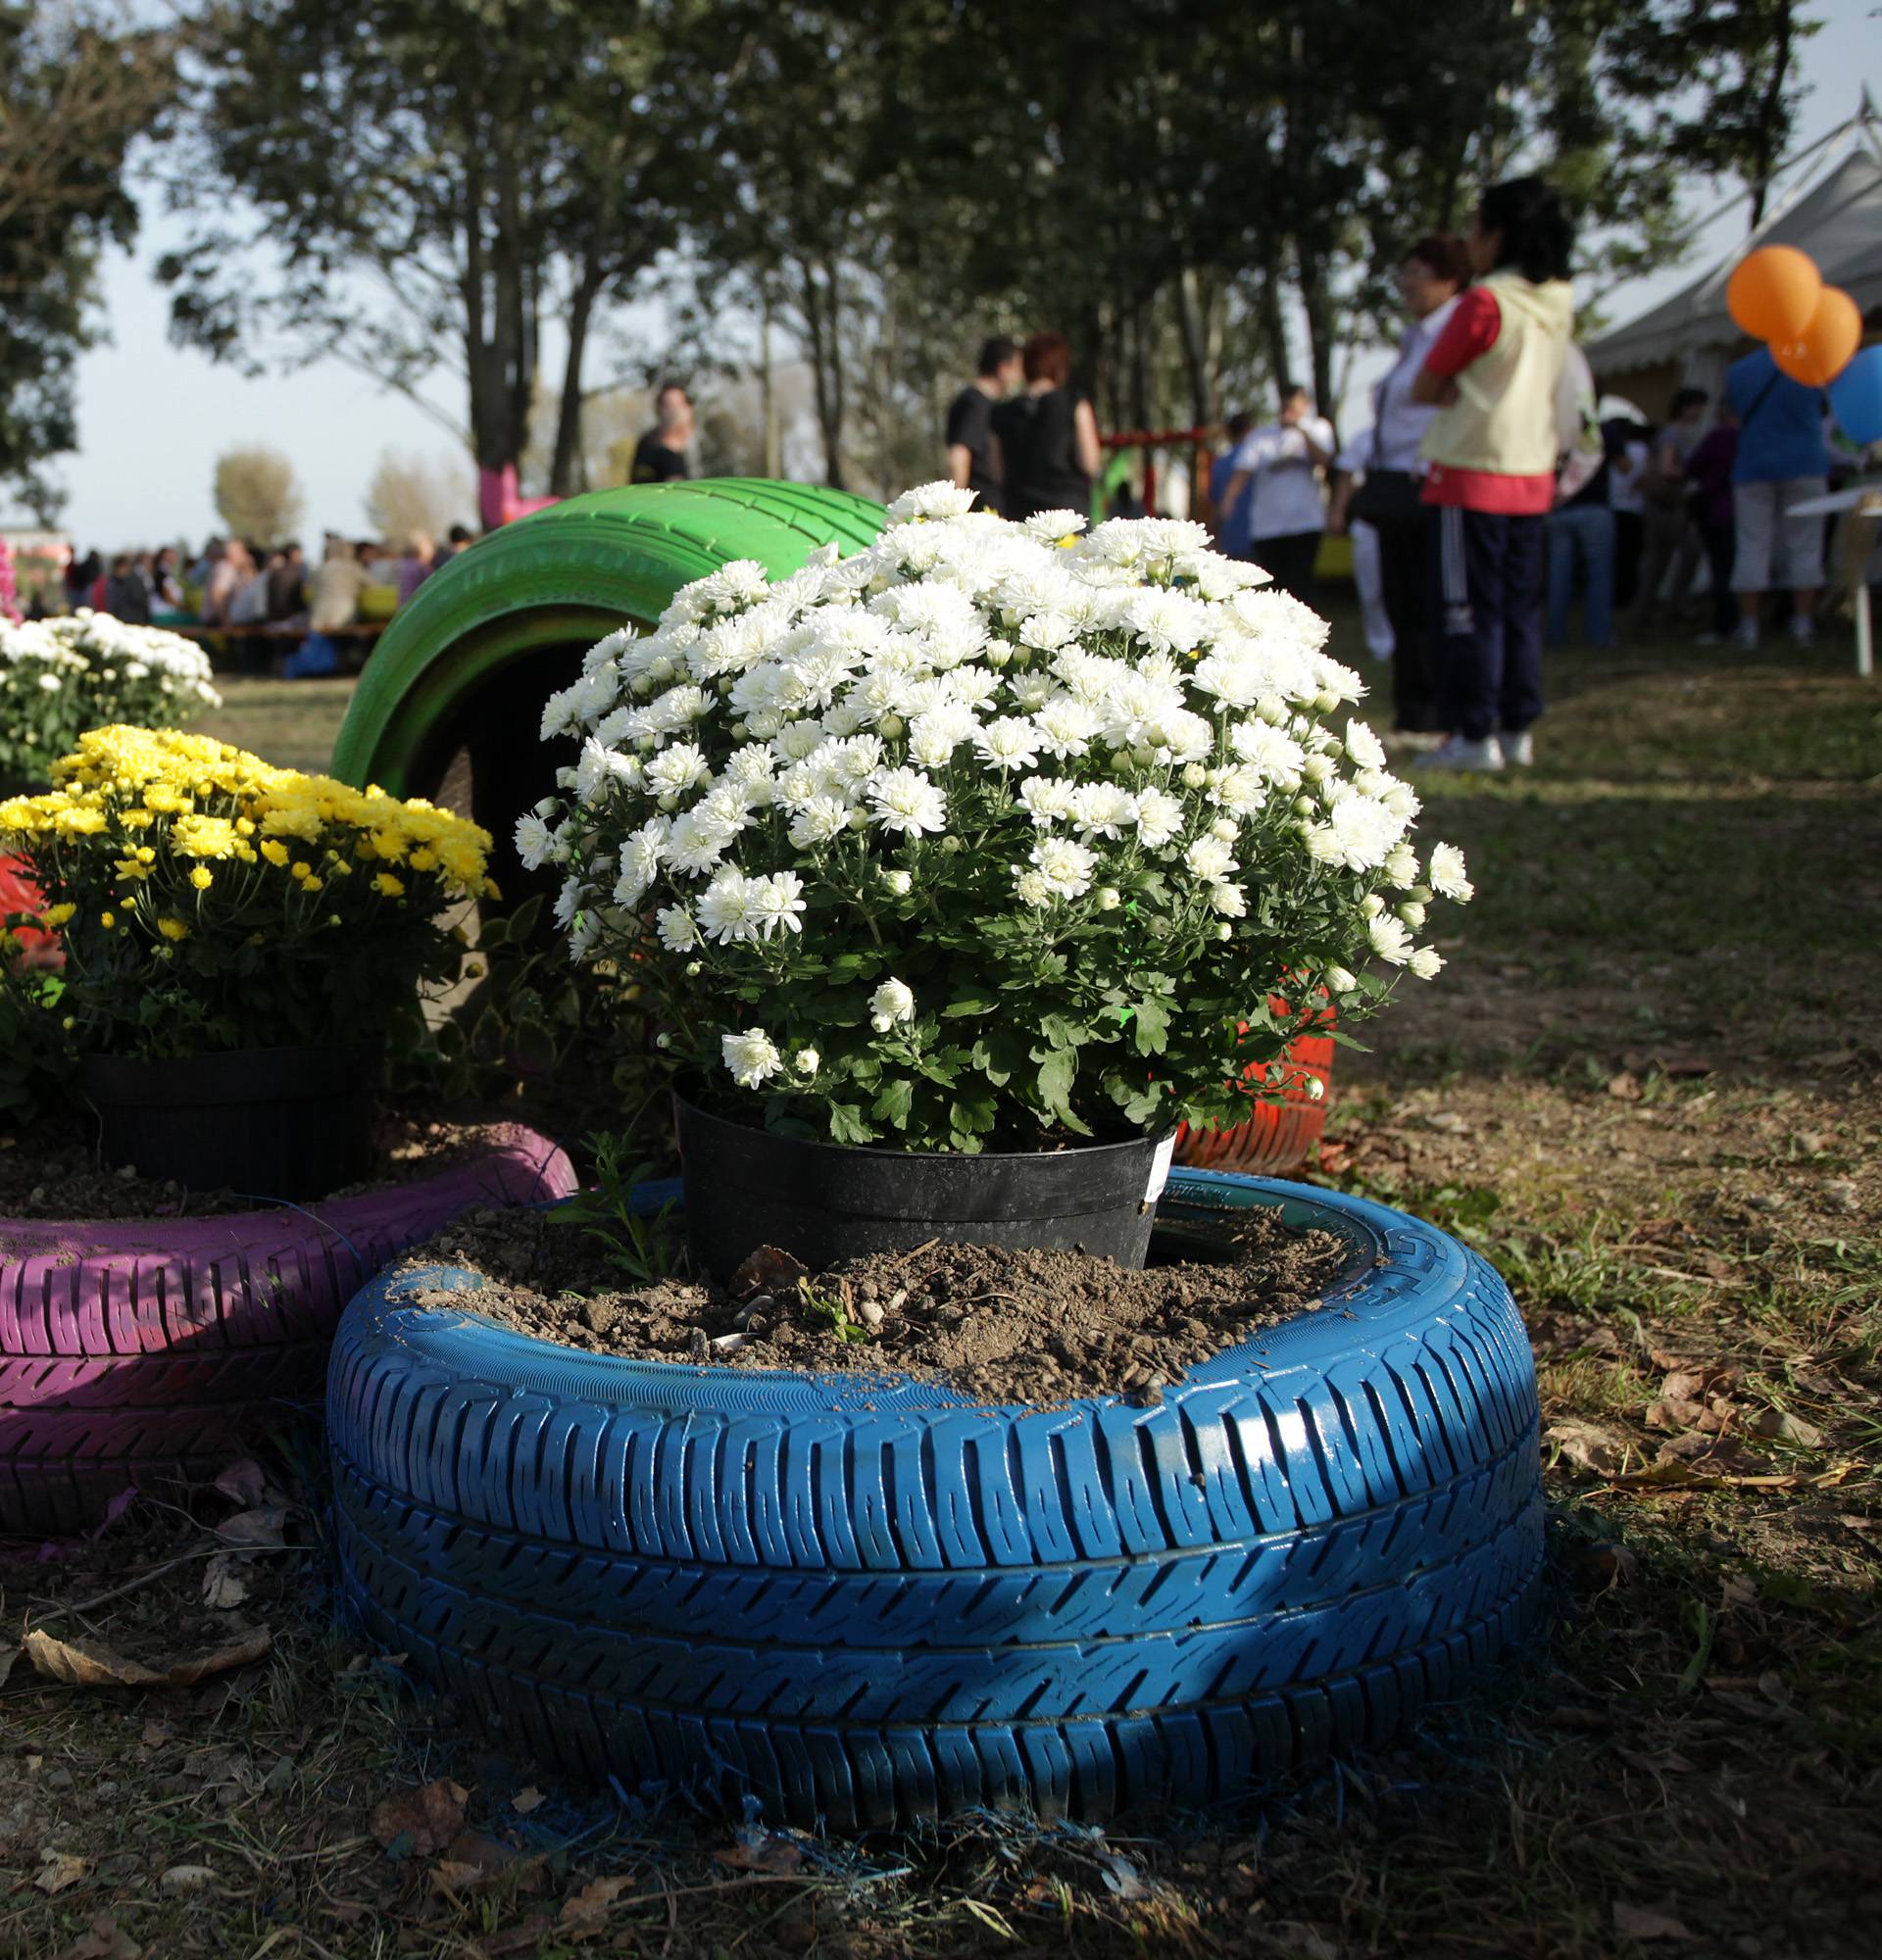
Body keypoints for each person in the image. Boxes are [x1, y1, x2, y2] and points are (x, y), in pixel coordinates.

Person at [1409, 175, 1576, 772]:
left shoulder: (1486, 303)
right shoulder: (1559, 302)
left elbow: (1425, 384)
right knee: (1518, 610)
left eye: (1476, 228)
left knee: (1464, 612)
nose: (1470, 241)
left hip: (1470, 474)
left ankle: (1471, 733)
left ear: (1497, 236)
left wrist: (1461, 390)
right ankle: (1515, 728)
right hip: (1532, 474)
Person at [1352, 234, 1471, 743]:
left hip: (1430, 480)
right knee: (1400, 599)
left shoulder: (1456, 329)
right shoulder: (1415, 336)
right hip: (1394, 482)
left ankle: (1440, 709)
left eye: (1419, 272)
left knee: (1431, 601)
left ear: (1450, 278)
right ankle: (1412, 709)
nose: (1408, 283)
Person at [1725, 345, 1829, 648]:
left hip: (1753, 464)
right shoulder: (1811, 364)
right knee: (1805, 544)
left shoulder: (1739, 370)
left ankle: (1749, 627)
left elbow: (1732, 414)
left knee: (1751, 545)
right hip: (1805, 463)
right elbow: (1824, 408)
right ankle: (1803, 624)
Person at [1215, 384, 1335, 603]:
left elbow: (1325, 460)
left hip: (1305, 522)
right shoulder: (1261, 437)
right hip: (1268, 526)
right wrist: (1228, 500)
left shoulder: (1318, 428)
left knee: (1301, 582)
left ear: (1305, 405)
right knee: (1276, 587)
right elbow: (1242, 472)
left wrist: (1300, 429)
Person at [992, 332, 1103, 523]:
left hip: (1020, 516)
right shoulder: (1074, 403)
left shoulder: (1000, 413)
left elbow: (996, 471)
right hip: (1068, 516)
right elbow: (1090, 463)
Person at [1633, 387, 1709, 632]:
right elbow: (1667, 468)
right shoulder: (1673, 435)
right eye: (1697, 406)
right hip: (1667, 503)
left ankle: (1646, 610)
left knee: (1658, 559)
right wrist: (1692, 472)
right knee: (1686, 550)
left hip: (1658, 503)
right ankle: (1675, 604)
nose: (1700, 412)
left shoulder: (1671, 433)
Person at [1329, 426, 1396, 661]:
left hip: (1412, 522)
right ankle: (1381, 644)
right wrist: (1337, 511)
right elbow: (1346, 474)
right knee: (1372, 588)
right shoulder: (1366, 437)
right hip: (1371, 523)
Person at [945, 336, 1021, 513]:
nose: (1019, 377)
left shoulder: (982, 404)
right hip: (979, 511)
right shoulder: (975, 404)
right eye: (1017, 369)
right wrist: (954, 511)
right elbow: (959, 455)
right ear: (1003, 368)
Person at [1685, 403, 1740, 644]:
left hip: (1719, 511)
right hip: (1743, 511)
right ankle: (1745, 621)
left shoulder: (1719, 437)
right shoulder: (1751, 437)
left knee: (1722, 570)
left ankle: (1726, 624)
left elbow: (1693, 467)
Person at [1210, 413, 1257, 560]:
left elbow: (1216, 506)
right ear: (1250, 430)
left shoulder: (1219, 464)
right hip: (1260, 538)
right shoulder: (1260, 461)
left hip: (1230, 538)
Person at [631, 382, 693, 485]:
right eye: (668, 405)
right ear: (658, 410)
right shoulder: (649, 446)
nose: (674, 411)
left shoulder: (701, 443)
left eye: (678, 404)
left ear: (688, 409)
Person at [102, 554, 150, 624]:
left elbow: (140, 600)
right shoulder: (115, 582)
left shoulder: (130, 581)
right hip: (125, 620)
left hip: (133, 620)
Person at [267, 540, 307, 622]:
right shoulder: (293, 572)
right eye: (299, 553)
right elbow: (298, 601)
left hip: (273, 619)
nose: (301, 557)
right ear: (292, 554)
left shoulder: (277, 572)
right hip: (287, 619)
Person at [397, 531, 436, 605]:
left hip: (404, 609)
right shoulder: (421, 568)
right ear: (420, 547)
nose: (433, 550)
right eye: (429, 546)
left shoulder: (405, 564)